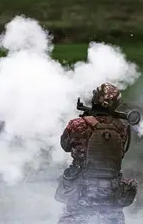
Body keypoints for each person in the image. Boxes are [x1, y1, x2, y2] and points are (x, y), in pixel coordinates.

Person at [55, 83, 137, 224]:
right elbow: (120, 152)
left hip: (81, 191)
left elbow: (65, 146)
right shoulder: (122, 128)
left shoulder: (76, 124)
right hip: (112, 191)